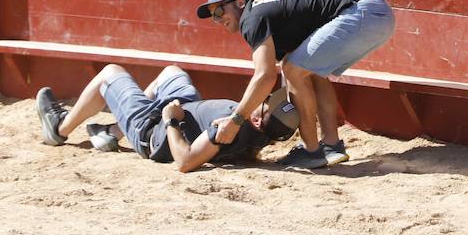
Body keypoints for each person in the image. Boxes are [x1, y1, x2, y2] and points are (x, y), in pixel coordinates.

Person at [200, 0, 396, 170]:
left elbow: (265, 76)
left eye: (219, 11)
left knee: (293, 68)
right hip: (377, 14)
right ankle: (331, 144)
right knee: (310, 71)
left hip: (363, 11)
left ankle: (311, 150)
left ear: (240, 2)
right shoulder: (271, 16)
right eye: (213, 17)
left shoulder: (251, 18)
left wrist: (235, 120)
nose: (217, 19)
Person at [35, 64, 300, 171]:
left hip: (151, 130)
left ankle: (59, 127)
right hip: (186, 108)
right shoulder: (262, 135)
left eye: (266, 104)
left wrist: (171, 120)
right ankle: (114, 132)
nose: (263, 100)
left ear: (255, 121)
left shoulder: (226, 127)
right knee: (172, 72)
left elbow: (185, 161)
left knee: (110, 72)